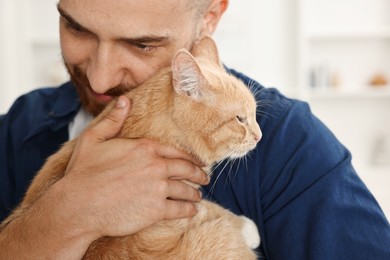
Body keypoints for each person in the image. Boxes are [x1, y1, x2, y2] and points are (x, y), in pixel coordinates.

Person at [0, 0, 389, 259]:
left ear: (210, 19)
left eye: (142, 45)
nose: (99, 79)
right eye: (75, 27)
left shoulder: (290, 143)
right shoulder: (21, 126)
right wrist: (61, 217)